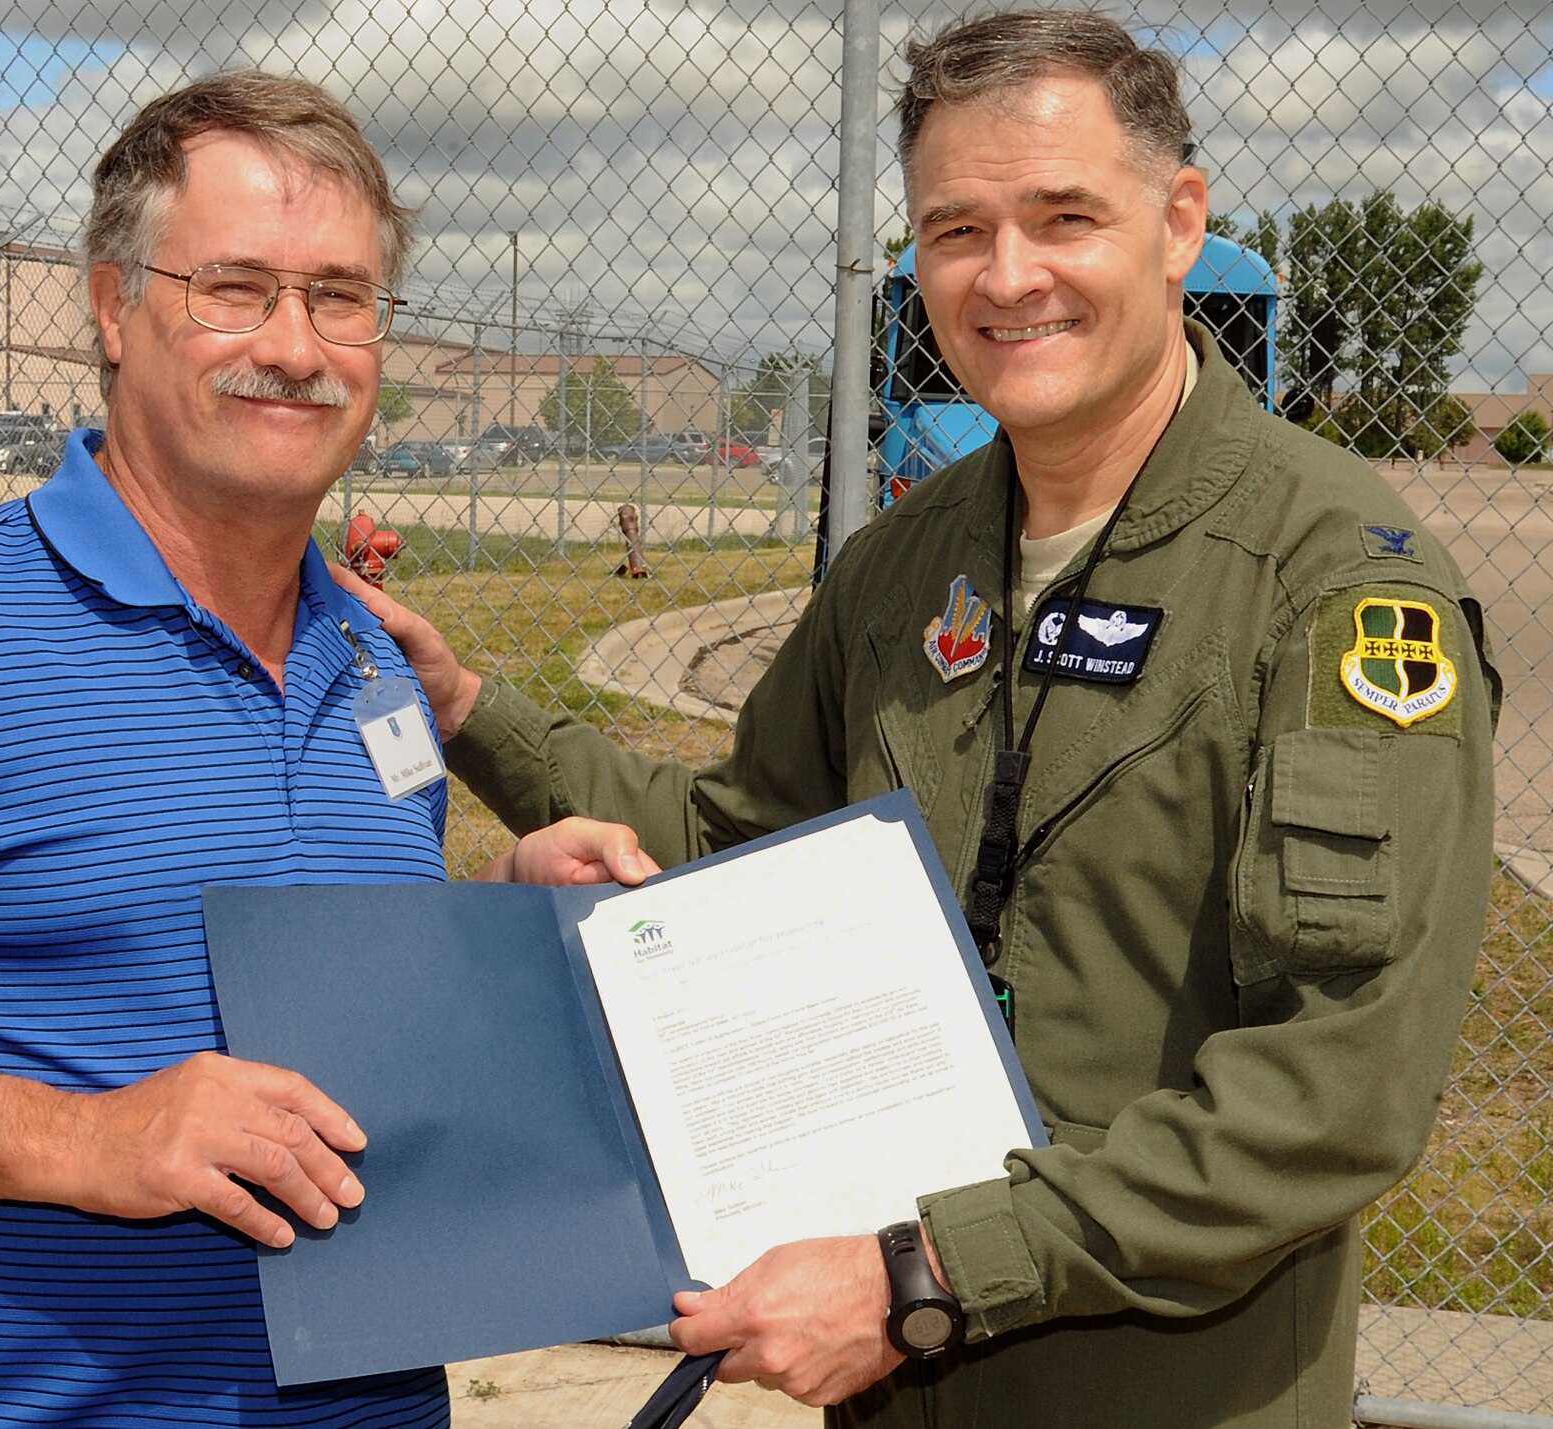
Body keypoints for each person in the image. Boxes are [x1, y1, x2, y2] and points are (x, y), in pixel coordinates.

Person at [346, 13, 1500, 1428]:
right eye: (957, 230)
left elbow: (1334, 1094)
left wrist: (929, 1270)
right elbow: (737, 845)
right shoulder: (906, 565)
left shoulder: (1331, 585)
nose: (1008, 278)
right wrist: (471, 712)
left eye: (1063, 216)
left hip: (1167, 1388)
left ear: (1178, 220)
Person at [0, 72, 652, 1428]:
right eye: (235, 288)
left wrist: (505, 934)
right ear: (112, 305)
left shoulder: (374, 665)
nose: (297, 342)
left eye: (341, 296)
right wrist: (82, 1137)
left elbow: (295, 995)